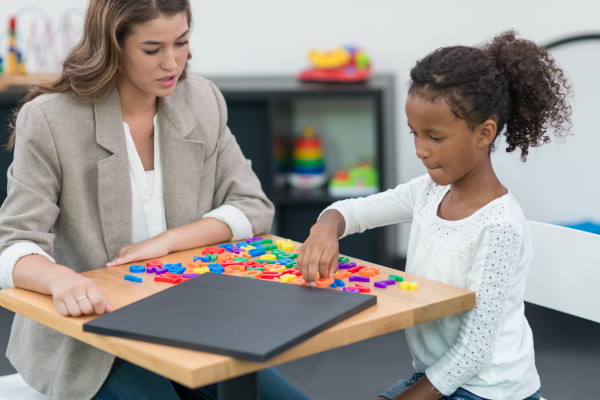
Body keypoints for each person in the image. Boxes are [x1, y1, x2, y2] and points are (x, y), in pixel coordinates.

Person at [0, 1, 309, 399]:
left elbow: (253, 205)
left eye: (180, 43)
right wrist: (60, 278)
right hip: (93, 341)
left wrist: (167, 241)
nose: (172, 63)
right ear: (114, 46)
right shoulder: (51, 119)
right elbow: (12, 243)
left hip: (191, 323)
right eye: (153, 49)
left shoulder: (201, 99)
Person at [297, 31, 572, 400]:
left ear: (484, 133)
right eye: (415, 134)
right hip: (440, 376)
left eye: (435, 138)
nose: (420, 151)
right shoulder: (428, 192)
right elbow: (353, 211)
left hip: (492, 390)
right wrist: (325, 228)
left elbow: (474, 352)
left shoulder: (500, 227)